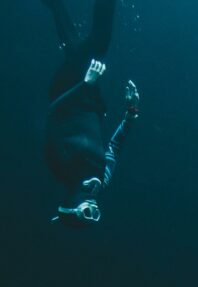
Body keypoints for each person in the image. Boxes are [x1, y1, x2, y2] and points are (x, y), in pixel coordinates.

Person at [41, 0, 139, 226]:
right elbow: (114, 148)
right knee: (78, 49)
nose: (94, 210)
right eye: (96, 216)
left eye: (87, 213)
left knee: (96, 45)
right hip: (91, 97)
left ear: (72, 205)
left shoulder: (62, 169)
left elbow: (53, 114)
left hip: (67, 89)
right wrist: (131, 111)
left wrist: (84, 85)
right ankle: (55, 5)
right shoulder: (103, 181)